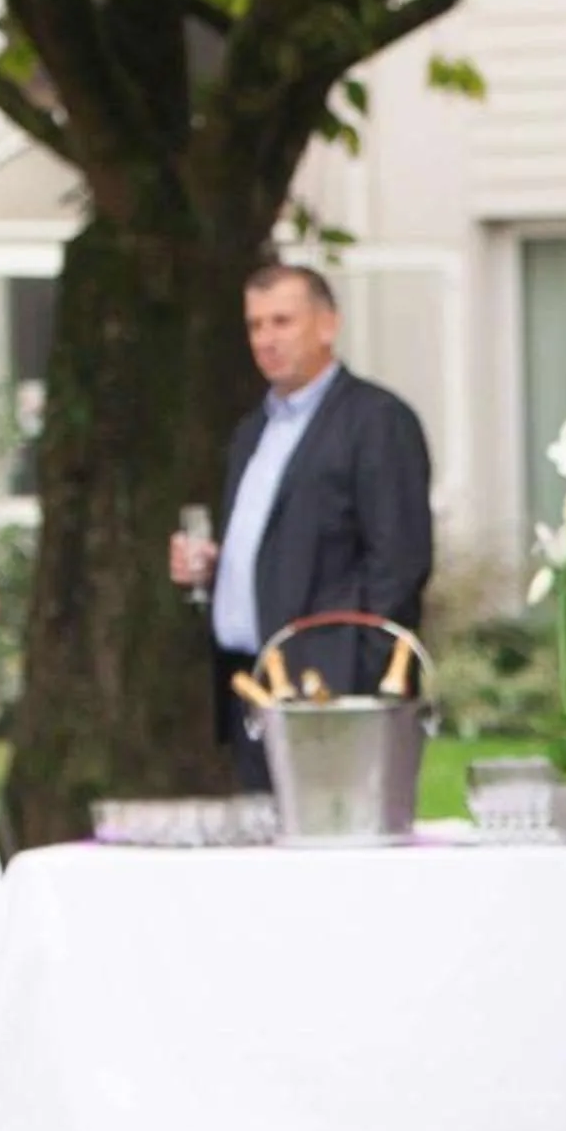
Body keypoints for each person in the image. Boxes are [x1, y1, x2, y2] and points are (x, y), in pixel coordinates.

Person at [170, 265, 434, 791]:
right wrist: (213, 571)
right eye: (255, 326)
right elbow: (283, 547)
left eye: (282, 322)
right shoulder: (254, 431)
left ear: (327, 325)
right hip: (252, 684)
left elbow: (399, 562)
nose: (266, 340)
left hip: (331, 693)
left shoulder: (375, 420)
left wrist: (360, 680)